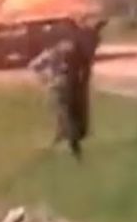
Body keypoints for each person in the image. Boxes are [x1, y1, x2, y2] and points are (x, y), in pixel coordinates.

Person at [28, 18, 106, 159]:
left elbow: (34, 65)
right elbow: (85, 67)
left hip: (58, 85)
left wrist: (45, 79)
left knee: (64, 114)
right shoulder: (75, 49)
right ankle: (73, 145)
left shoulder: (55, 50)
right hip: (71, 85)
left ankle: (67, 140)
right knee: (72, 115)